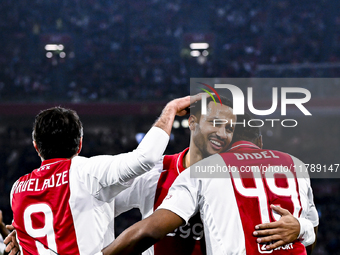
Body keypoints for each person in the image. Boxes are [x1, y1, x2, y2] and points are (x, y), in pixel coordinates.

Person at [101, 114, 319, 255]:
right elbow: (312, 233)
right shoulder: (295, 164)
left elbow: (149, 231)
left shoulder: (207, 169)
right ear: (260, 142)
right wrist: (302, 228)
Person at [6, 95, 197, 255]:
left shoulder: (18, 188)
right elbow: (145, 158)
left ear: (36, 147)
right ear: (80, 144)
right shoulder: (86, 172)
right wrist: (170, 109)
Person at [114, 96, 236, 255]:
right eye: (215, 123)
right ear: (192, 123)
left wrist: (280, 225)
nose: (222, 134)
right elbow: (100, 206)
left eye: (229, 129)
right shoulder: (156, 171)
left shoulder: (238, 182)